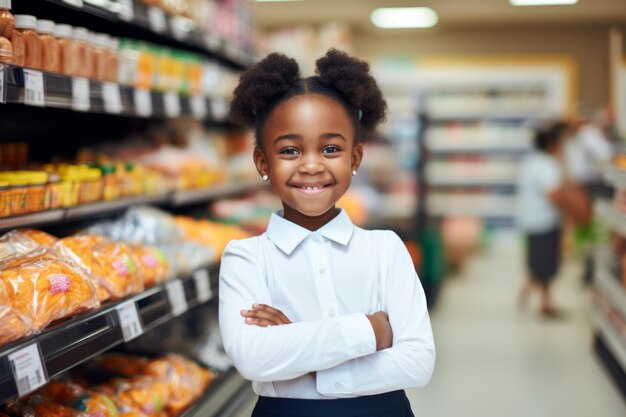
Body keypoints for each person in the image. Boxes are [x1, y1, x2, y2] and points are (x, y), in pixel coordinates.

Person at [218, 50, 435, 417]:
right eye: (289, 150)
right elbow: (253, 359)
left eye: (331, 148)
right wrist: (371, 331)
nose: (312, 164)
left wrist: (297, 346)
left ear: (355, 158)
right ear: (262, 163)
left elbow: (417, 362)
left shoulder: (386, 248)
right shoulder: (246, 257)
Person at [517, 121, 577, 316]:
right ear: (553, 145)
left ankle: (530, 290)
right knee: (547, 264)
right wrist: (570, 208)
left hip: (530, 220)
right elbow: (552, 194)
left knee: (538, 261)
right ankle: (546, 303)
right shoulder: (547, 165)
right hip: (544, 221)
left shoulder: (532, 161)